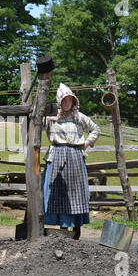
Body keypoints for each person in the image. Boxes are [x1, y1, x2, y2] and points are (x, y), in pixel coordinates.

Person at [42, 83, 101, 240]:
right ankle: (62, 226)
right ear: (59, 102)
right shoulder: (51, 118)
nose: (67, 103)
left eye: (69, 100)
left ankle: (76, 226)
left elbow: (96, 129)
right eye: (64, 100)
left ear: (74, 101)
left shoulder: (79, 117)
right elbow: (33, 121)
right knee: (57, 192)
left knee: (76, 193)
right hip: (56, 156)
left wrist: (86, 143)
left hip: (75, 156)